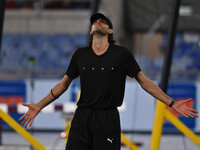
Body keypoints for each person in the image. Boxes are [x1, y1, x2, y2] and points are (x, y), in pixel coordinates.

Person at [19, 13, 198, 150]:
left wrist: (172, 103)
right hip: (82, 117)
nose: (97, 22)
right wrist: (39, 105)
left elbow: (145, 82)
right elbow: (63, 84)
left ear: (110, 31)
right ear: (90, 30)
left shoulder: (121, 54)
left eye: (102, 22)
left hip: (108, 119)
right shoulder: (80, 54)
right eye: (95, 21)